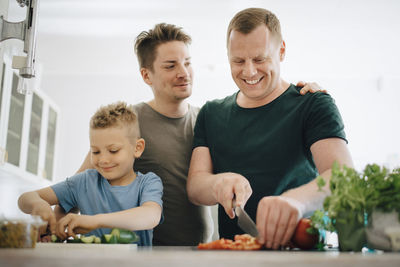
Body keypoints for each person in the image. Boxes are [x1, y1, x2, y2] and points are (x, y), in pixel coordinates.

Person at [63, 23, 325, 246]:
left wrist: (300, 94)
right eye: (170, 65)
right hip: (145, 251)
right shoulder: (129, 121)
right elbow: (80, 183)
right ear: (146, 75)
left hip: (200, 249)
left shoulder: (208, 119)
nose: (183, 72)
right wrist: (55, 221)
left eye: (187, 62)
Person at [186, 8, 354, 250]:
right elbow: (195, 187)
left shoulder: (312, 103)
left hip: (302, 255)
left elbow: (342, 176)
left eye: (259, 59)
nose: (249, 71)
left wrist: (296, 201)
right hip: (235, 255)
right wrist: (217, 183)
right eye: (238, 61)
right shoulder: (211, 113)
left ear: (281, 51)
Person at [18, 102, 163, 246]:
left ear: (137, 148)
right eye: (95, 152)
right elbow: (25, 198)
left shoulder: (148, 182)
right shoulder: (84, 182)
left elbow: (151, 216)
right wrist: (38, 204)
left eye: (113, 150)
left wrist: (95, 221)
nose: (103, 160)